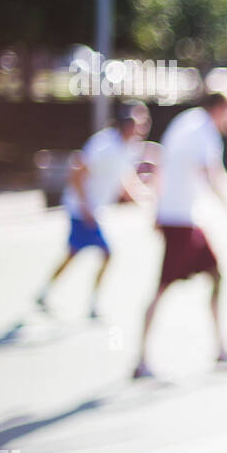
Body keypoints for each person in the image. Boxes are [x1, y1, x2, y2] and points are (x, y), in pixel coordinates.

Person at [133, 87, 227, 380]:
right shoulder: (203, 131)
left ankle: (220, 349)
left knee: (216, 273)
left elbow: (163, 166)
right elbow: (213, 179)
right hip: (179, 221)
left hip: (183, 219)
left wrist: (156, 208)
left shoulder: (188, 123)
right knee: (161, 290)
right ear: (221, 108)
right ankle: (141, 360)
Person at [37, 100, 151, 318]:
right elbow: (77, 174)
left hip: (95, 210)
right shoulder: (103, 144)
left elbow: (124, 177)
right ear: (126, 123)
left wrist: (141, 196)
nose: (143, 127)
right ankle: (92, 304)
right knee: (107, 253)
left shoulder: (131, 148)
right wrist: (85, 207)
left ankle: (46, 292)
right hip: (81, 209)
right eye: (139, 122)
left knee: (73, 253)